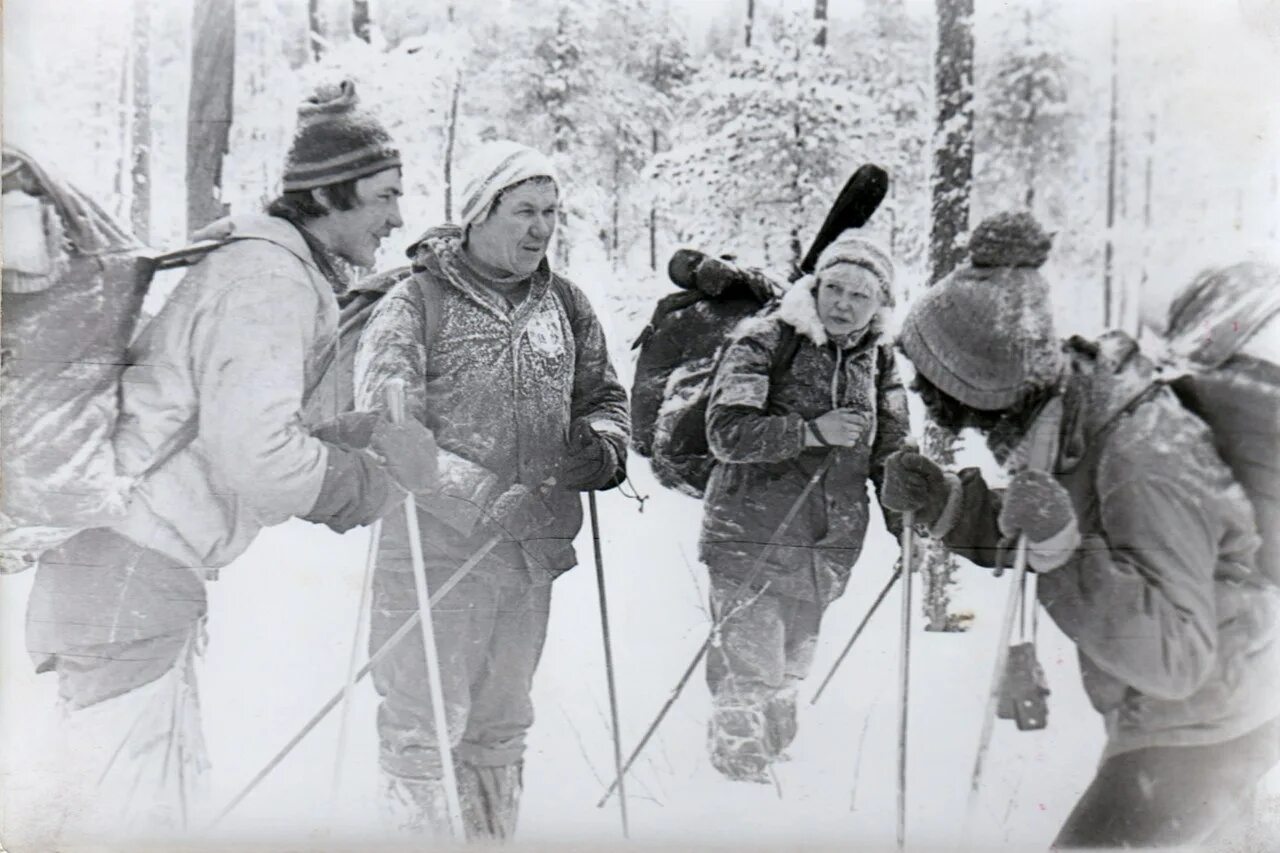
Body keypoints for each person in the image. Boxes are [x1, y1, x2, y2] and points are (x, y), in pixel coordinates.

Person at [23, 80, 438, 831]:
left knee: (108, 807)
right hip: (132, 573)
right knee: (129, 822)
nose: (398, 216)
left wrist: (354, 436)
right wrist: (367, 484)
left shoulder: (266, 266)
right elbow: (257, 457)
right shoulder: (269, 279)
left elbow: (234, 425)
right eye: (384, 194)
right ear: (328, 195)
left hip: (122, 569)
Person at [880, 211, 1280, 848]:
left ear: (980, 385)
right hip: (1188, 716)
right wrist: (951, 506)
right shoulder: (1071, 412)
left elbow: (1177, 657)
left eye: (946, 398)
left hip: (1208, 720)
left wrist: (1061, 554)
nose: (961, 423)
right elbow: (1061, 518)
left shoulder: (1142, 453)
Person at [353, 140, 630, 840]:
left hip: (529, 561)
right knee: (423, 727)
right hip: (430, 558)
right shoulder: (416, 301)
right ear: (479, 212)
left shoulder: (566, 302)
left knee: (502, 725)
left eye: (552, 213)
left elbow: (605, 397)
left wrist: (599, 448)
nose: (541, 228)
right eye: (525, 211)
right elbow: (392, 427)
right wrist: (483, 495)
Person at [697, 231, 910, 783]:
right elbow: (725, 432)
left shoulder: (881, 362)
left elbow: (891, 451)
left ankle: (772, 773)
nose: (842, 303)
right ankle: (735, 788)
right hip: (751, 534)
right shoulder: (765, 339)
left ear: (880, 303)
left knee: (790, 670)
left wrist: (908, 522)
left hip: (827, 546)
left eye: (859, 296)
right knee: (752, 669)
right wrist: (811, 432)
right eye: (832, 288)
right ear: (814, 287)